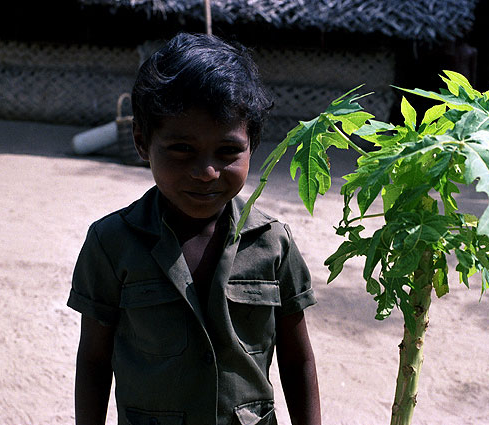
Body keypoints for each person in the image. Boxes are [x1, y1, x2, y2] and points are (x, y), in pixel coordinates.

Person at [67, 32, 321, 425]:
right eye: (182, 149)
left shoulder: (273, 244)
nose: (206, 172)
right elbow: (95, 361)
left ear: (253, 145)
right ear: (141, 141)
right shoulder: (111, 244)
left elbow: (297, 357)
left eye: (227, 152)